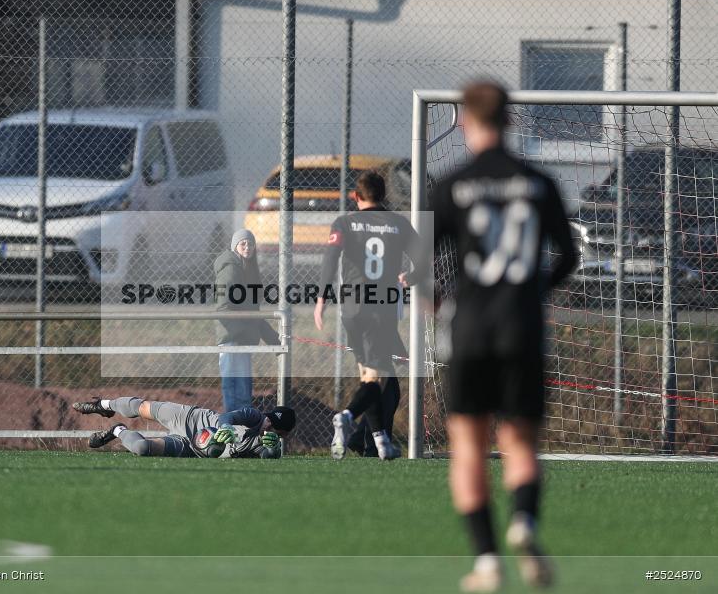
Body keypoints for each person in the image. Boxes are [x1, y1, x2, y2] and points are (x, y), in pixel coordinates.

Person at [422, 81, 578, 592]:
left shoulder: (450, 185)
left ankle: (487, 561)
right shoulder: (539, 182)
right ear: (511, 120)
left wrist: (441, 304)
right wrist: (537, 292)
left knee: (468, 445)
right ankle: (524, 524)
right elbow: (569, 257)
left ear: (465, 120)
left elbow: (422, 267)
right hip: (522, 327)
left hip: (469, 330)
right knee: (520, 442)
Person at [314, 171, 423, 461]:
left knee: (374, 377)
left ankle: (375, 441)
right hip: (380, 309)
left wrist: (322, 297)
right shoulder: (398, 224)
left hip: (350, 309)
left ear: (355, 196)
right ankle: (348, 419)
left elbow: (330, 258)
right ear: (383, 195)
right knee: (378, 380)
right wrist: (410, 277)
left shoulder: (344, 222)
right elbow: (425, 259)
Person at [72, 396, 295, 459]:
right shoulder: (254, 416)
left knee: (141, 448)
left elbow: (268, 455)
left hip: (191, 447)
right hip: (188, 418)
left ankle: (116, 431)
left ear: (281, 434)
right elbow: (227, 416)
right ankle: (102, 405)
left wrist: (274, 451)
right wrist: (224, 426)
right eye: (269, 418)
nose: (267, 423)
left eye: (273, 426)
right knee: (141, 407)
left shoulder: (262, 444)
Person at [214, 228, 280, 411]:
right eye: (243, 243)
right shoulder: (231, 269)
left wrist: (272, 338)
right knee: (233, 386)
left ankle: (241, 428)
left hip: (242, 338)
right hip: (231, 338)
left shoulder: (248, 270)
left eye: (251, 244)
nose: (247, 247)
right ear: (235, 246)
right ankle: (232, 428)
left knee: (242, 387)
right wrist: (242, 330)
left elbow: (254, 315)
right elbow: (222, 307)